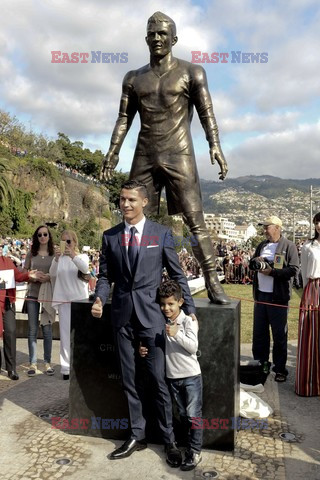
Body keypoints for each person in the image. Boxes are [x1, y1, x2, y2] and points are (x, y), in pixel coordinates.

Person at [100, 11, 230, 305]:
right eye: (152, 33)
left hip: (179, 152)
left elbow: (206, 112)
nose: (157, 38)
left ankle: (211, 280)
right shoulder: (133, 78)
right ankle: (119, 281)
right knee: (128, 217)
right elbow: (124, 118)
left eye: (162, 33)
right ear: (146, 38)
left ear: (174, 38)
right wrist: (112, 151)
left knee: (195, 221)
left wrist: (215, 145)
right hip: (145, 153)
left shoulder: (192, 72)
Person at [91, 179, 196, 467]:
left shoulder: (161, 234)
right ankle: (137, 435)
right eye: (122, 199)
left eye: (131, 200)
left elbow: (176, 273)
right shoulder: (110, 236)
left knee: (160, 383)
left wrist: (190, 307)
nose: (124, 204)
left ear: (144, 202)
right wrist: (99, 299)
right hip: (122, 318)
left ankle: (170, 440)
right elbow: (104, 276)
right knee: (129, 381)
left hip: (153, 319)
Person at [139, 280, 202, 471]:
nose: (166, 308)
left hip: (191, 376)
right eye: (163, 304)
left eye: (170, 304)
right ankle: (186, 446)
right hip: (173, 378)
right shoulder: (162, 322)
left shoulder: (188, 320)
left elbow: (193, 347)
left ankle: (196, 451)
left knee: (193, 415)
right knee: (183, 414)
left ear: (180, 302)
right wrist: (143, 348)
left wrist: (177, 334)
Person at [250, 216, 299, 382]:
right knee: (260, 335)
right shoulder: (262, 245)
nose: (264, 230)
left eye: (267, 227)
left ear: (277, 227)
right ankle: (262, 366)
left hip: (278, 297)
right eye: (263, 227)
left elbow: (294, 270)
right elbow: (252, 264)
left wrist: (272, 272)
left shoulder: (289, 246)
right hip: (261, 296)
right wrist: (257, 261)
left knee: (279, 335)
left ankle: (280, 369)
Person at [0, 244, 45, 380]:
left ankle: (11, 369)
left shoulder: (6, 261)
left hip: (7, 304)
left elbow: (18, 276)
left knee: (11, 333)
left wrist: (29, 275)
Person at [49, 230, 89, 380]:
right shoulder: (59, 259)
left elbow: (85, 268)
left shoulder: (81, 256)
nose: (65, 244)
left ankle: (80, 365)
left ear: (74, 242)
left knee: (80, 335)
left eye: (68, 241)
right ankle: (65, 368)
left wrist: (72, 254)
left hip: (79, 301)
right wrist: (56, 259)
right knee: (65, 336)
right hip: (64, 301)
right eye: (63, 241)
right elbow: (52, 274)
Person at [23, 225, 55, 377]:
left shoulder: (54, 254)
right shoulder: (31, 254)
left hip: (48, 293)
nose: (42, 237)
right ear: (36, 237)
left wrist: (48, 277)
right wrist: (32, 275)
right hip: (33, 293)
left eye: (45, 234)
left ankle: (47, 362)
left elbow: (57, 274)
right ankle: (33, 362)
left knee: (47, 329)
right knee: (32, 330)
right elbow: (24, 273)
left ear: (49, 236)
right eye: (39, 235)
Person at [295, 212, 320, 396]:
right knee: (310, 334)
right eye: (317, 222)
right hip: (312, 289)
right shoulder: (308, 246)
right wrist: (307, 292)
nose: (319, 225)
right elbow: (304, 273)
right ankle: (309, 384)